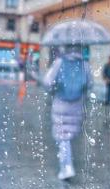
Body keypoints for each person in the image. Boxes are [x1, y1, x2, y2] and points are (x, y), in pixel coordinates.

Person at [41, 45, 92, 180]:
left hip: (61, 104)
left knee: (63, 137)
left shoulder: (59, 62)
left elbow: (47, 82)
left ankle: (67, 166)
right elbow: (90, 84)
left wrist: (55, 87)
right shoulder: (85, 65)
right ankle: (67, 164)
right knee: (68, 136)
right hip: (77, 104)